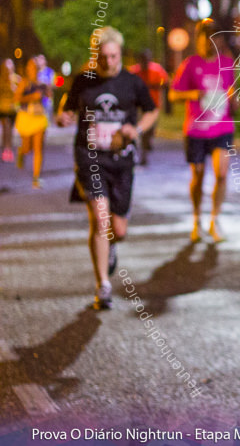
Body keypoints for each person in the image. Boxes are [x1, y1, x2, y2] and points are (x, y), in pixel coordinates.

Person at [57, 27, 159, 309]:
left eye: (113, 56)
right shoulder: (83, 81)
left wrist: (136, 129)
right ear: (95, 57)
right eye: (103, 57)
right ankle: (102, 284)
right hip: (90, 159)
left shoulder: (132, 83)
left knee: (119, 229)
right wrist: (63, 118)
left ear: (120, 54)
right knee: (100, 221)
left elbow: (152, 110)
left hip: (121, 161)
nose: (108, 62)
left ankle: (112, 246)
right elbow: (65, 110)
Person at [169, 20, 237, 243]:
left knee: (222, 173)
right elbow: (173, 94)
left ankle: (215, 220)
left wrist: (234, 100)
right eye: (206, 38)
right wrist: (193, 95)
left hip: (222, 127)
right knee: (197, 175)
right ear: (198, 40)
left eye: (216, 38)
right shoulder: (190, 64)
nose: (211, 43)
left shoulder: (227, 63)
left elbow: (234, 97)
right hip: (196, 130)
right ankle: (197, 218)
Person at [127, 49, 168, 165]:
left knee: (151, 129)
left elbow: (165, 83)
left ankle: (148, 142)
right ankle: (142, 153)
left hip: (153, 105)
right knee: (142, 128)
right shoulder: (134, 71)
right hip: (138, 106)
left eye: (147, 59)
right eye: (143, 59)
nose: (145, 62)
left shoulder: (157, 69)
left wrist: (153, 86)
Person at [14, 56, 50, 188]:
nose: (33, 69)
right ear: (27, 68)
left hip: (39, 117)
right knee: (27, 147)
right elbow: (17, 99)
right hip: (26, 118)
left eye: (35, 67)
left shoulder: (42, 83)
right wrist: (31, 97)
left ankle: (36, 177)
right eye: (31, 66)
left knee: (39, 148)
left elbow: (48, 96)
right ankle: (21, 152)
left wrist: (47, 92)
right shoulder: (24, 82)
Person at [0, 58, 19, 162]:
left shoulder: (16, 79)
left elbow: (20, 94)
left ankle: (9, 149)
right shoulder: (1, 80)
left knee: (10, 130)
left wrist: (14, 88)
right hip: (3, 108)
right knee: (5, 126)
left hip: (13, 109)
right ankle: (6, 149)